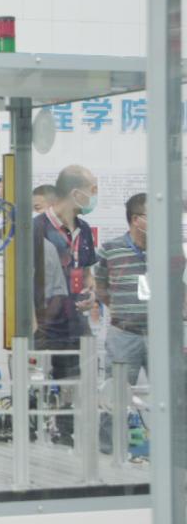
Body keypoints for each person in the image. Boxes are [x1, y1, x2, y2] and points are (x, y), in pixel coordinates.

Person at [34, 165, 99, 447]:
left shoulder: (84, 230)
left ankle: (66, 437)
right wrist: (32, 325)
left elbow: (87, 273)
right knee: (36, 389)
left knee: (75, 386)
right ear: (75, 193)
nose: (94, 196)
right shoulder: (36, 229)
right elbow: (22, 281)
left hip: (76, 325)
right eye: (92, 190)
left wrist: (91, 293)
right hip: (44, 325)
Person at [95, 193, 148, 454]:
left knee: (175, 394)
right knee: (114, 395)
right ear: (137, 220)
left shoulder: (171, 249)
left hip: (162, 336)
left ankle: (177, 454)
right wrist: (124, 311)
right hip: (123, 334)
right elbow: (100, 287)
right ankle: (109, 451)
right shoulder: (110, 249)